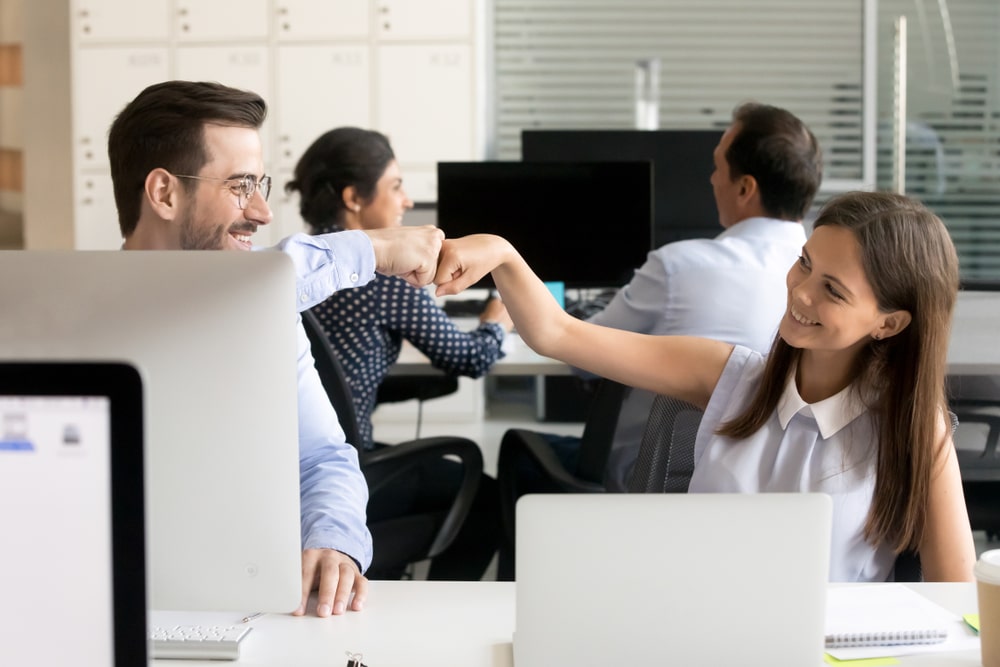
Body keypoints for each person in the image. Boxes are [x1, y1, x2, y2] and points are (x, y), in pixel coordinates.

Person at [435, 190, 977, 582]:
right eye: (804, 264)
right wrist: (502, 253)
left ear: (889, 323)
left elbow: (954, 592)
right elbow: (558, 333)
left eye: (832, 290)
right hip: (692, 637)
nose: (801, 293)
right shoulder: (729, 375)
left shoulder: (911, 425)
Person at [108, 80, 446, 616]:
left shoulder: (266, 308)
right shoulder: (76, 318)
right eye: (241, 186)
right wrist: (368, 247)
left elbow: (321, 456)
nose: (263, 212)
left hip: (241, 602)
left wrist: (336, 538)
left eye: (260, 185)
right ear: (165, 193)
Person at [285, 127, 512, 580]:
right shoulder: (381, 277)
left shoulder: (296, 265)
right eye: (395, 186)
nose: (406, 200)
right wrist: (495, 323)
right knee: (488, 499)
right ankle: (441, 614)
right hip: (344, 465)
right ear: (353, 198)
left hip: (288, 463)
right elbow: (467, 359)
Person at [568, 102, 823, 492]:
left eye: (717, 166)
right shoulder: (824, 293)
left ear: (744, 187)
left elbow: (580, 357)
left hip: (645, 483)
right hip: (760, 492)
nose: (711, 179)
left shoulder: (678, 267)